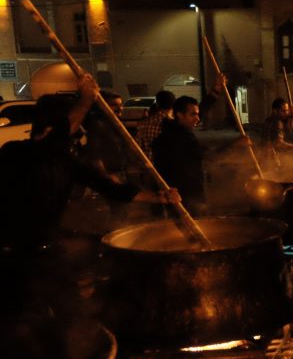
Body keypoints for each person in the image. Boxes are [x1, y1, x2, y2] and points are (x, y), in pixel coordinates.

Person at [0, 74, 180, 313]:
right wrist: (86, 99)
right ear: (50, 128)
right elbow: (49, 145)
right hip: (11, 255)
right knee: (20, 316)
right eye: (72, 130)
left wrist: (159, 197)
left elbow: (110, 188)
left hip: (48, 250)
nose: (77, 135)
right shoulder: (14, 153)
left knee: (70, 310)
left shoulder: (67, 161)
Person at [152, 75, 245, 214]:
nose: (197, 119)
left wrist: (216, 91)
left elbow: (200, 110)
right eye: (193, 115)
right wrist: (235, 144)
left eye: (197, 114)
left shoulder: (173, 127)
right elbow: (209, 154)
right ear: (180, 115)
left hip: (179, 191)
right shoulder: (180, 136)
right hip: (182, 194)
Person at [136, 90, 175, 160]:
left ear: (157, 104)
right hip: (164, 164)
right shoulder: (174, 125)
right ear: (173, 105)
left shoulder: (142, 123)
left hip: (146, 163)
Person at [261, 98, 293, 168]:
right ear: (275, 111)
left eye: (287, 110)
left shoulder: (270, 119)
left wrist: (291, 115)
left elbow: (288, 129)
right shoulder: (277, 122)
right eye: (283, 111)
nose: (286, 113)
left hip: (266, 157)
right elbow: (278, 143)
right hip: (271, 159)